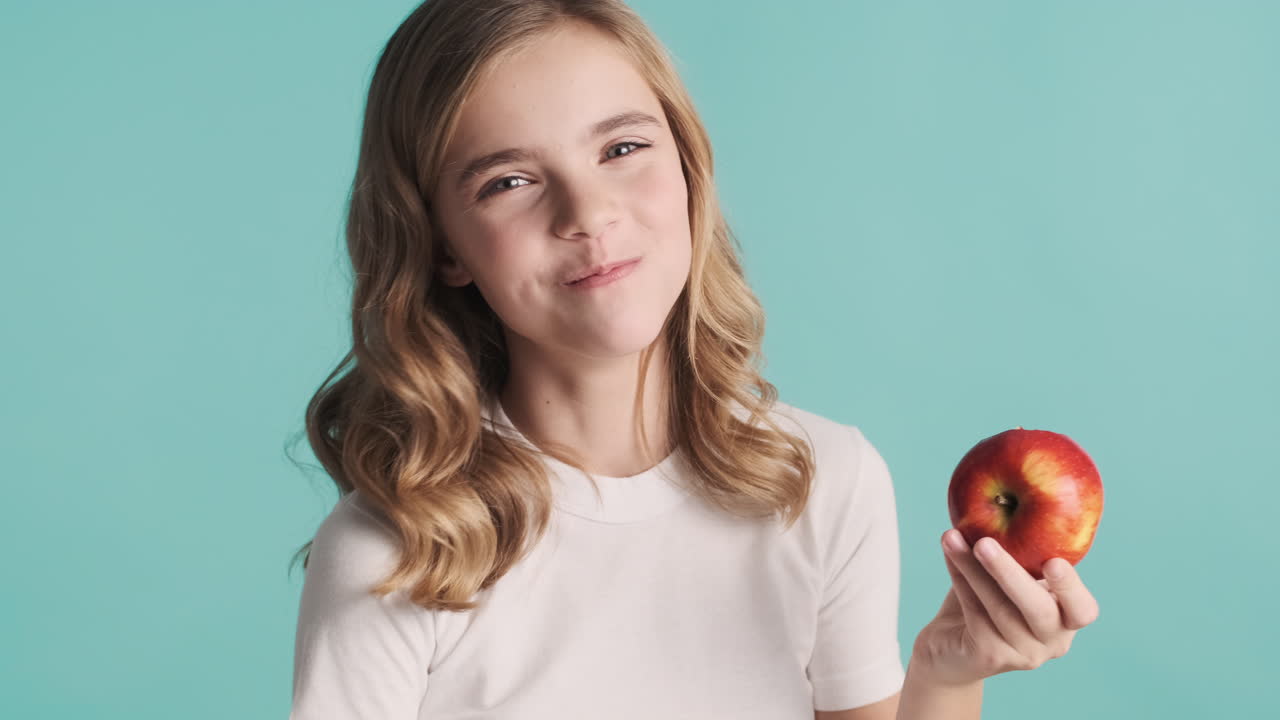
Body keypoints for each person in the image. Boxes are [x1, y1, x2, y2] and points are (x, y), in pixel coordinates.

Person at [289, 1, 1100, 718]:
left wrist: (947, 677)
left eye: (621, 149)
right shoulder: (401, 550)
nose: (588, 212)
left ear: (686, 166)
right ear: (442, 247)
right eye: (507, 181)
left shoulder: (827, 483)